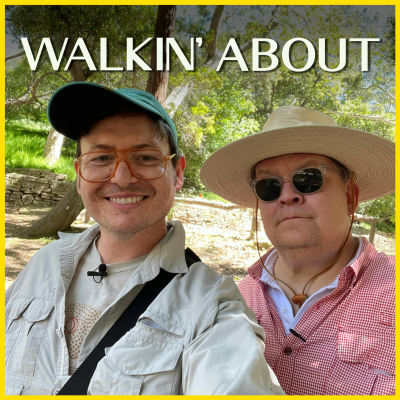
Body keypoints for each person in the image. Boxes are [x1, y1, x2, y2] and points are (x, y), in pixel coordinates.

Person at [5, 82, 285, 396]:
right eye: (100, 158)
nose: (122, 177)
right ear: (79, 173)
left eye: (146, 158)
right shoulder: (44, 262)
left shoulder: (212, 307)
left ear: (177, 173)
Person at [200, 106, 395, 395]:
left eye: (308, 178)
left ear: (350, 196)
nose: (288, 195)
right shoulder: (234, 301)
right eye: (269, 186)